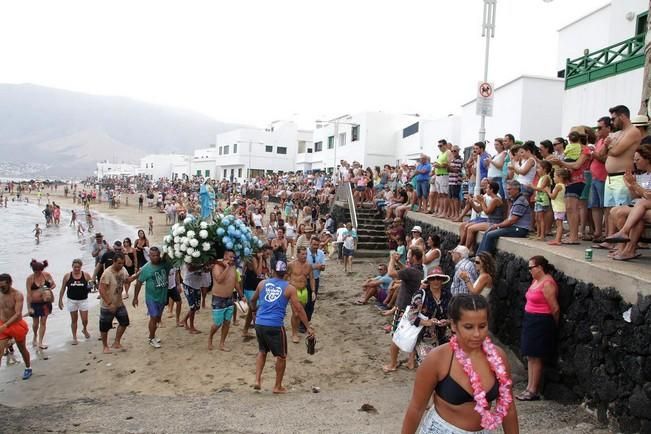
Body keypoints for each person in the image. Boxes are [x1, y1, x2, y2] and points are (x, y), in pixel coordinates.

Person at [401, 294, 518, 434]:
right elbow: (416, 408)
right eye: (468, 327)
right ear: (453, 325)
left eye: (482, 326)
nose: (477, 334)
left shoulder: (498, 357)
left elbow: (508, 408)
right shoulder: (437, 359)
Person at [250, 259, 315, 394]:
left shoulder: (262, 283)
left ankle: (257, 380)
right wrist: (307, 326)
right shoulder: (289, 288)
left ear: (273, 271)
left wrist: (254, 312)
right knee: (281, 356)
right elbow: (298, 309)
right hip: (274, 325)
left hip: (260, 323)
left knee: (262, 351)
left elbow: (253, 300)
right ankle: (277, 386)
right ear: (286, 272)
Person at [517, 256, 559, 401]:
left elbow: (554, 307)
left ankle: (533, 389)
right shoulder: (536, 280)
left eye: (531, 268)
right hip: (531, 318)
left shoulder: (547, 283)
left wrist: (554, 324)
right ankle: (529, 387)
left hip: (541, 320)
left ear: (540, 267)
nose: (529, 271)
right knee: (530, 355)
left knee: (536, 355)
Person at [383, 246, 424, 373]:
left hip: (403, 309)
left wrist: (391, 260)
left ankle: (393, 364)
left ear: (414, 257)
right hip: (410, 307)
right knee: (410, 335)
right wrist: (398, 262)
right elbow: (406, 270)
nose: (407, 257)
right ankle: (411, 362)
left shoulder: (411, 272)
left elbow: (391, 273)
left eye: (409, 255)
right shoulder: (418, 270)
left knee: (396, 336)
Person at [476, 180, 532, 254]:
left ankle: (483, 258)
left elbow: (512, 221)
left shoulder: (520, 201)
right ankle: (479, 256)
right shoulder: (516, 200)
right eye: (507, 189)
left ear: (516, 189)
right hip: (514, 227)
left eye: (509, 189)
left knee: (490, 234)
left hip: (520, 229)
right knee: (489, 231)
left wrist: (497, 225)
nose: (507, 192)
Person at [133, 247, 171, 348]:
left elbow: (170, 258)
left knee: (158, 318)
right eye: (153, 255)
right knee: (153, 317)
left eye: (157, 255)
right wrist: (135, 297)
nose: (155, 257)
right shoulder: (146, 268)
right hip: (151, 298)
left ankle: (153, 335)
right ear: (149, 256)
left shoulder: (164, 264)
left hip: (162, 296)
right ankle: (151, 338)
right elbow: (139, 282)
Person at [413, 267, 452, 365]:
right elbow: (411, 317)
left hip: (443, 336)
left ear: (442, 280)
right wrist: (427, 322)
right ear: (428, 280)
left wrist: (447, 321)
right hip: (424, 337)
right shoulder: (420, 295)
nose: (436, 281)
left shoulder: (448, 295)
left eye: (438, 278)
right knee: (427, 364)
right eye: (432, 278)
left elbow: (454, 315)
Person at [0, 274, 33, 380]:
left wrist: (6, 325)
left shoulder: (17, 295)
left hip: (16, 325)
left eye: (3, 287)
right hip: (2, 324)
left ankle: (28, 368)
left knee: (22, 348)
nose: (1, 289)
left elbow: (18, 313)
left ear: (10, 283)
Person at [98, 252, 131, 354]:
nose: (121, 265)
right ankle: (105, 346)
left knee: (125, 322)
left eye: (122, 263)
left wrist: (137, 275)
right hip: (107, 305)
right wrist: (109, 303)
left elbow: (127, 280)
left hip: (119, 302)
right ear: (114, 262)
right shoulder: (107, 273)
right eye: (119, 263)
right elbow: (101, 289)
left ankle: (116, 342)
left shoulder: (123, 270)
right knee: (104, 327)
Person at [208, 250, 241, 351]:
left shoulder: (233, 267)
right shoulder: (217, 267)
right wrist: (226, 267)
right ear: (225, 256)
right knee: (217, 323)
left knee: (227, 322)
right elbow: (219, 279)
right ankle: (210, 338)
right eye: (230, 257)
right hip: (218, 298)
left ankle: (222, 343)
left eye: (233, 257)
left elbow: (235, 283)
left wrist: (241, 294)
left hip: (229, 298)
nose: (232, 259)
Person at [58, 259, 92, 344]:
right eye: (75, 267)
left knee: (85, 320)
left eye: (78, 267)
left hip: (83, 300)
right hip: (72, 300)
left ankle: (84, 329)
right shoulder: (67, 276)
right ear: (72, 267)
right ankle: (74, 337)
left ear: (81, 267)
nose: (76, 269)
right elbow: (62, 288)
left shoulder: (86, 275)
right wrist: (60, 300)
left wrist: (91, 286)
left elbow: (91, 285)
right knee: (74, 320)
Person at [25, 259, 56, 350]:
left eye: (39, 271)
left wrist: (47, 289)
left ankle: (40, 342)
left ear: (41, 270)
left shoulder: (47, 275)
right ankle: (34, 336)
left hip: (46, 302)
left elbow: (53, 284)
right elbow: (29, 293)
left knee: (43, 321)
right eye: (35, 271)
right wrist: (29, 307)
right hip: (35, 303)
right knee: (35, 323)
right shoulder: (30, 279)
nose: (37, 272)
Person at [287, 246, 315, 343]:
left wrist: (313, 291)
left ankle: (297, 331)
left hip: (304, 291)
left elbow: (311, 278)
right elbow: (285, 276)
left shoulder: (309, 265)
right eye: (302, 254)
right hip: (294, 290)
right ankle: (294, 333)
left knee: (300, 313)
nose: (304, 256)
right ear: (297, 254)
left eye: (305, 254)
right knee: (295, 313)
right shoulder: (291, 265)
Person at [546, 168, 570, 246]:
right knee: (558, 224)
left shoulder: (558, 186)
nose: (553, 178)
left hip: (559, 207)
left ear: (560, 177)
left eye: (555, 177)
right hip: (559, 207)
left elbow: (552, 196)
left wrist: (547, 191)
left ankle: (557, 240)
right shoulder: (562, 185)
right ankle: (557, 238)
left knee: (559, 225)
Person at [306, 236, 326, 321]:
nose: (315, 246)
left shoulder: (321, 253)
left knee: (312, 302)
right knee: (305, 302)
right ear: (310, 243)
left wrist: (321, 267)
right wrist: (315, 266)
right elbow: (302, 267)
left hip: (316, 278)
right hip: (305, 279)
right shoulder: (305, 252)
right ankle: (302, 323)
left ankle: (307, 321)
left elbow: (323, 267)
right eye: (314, 244)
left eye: (317, 245)